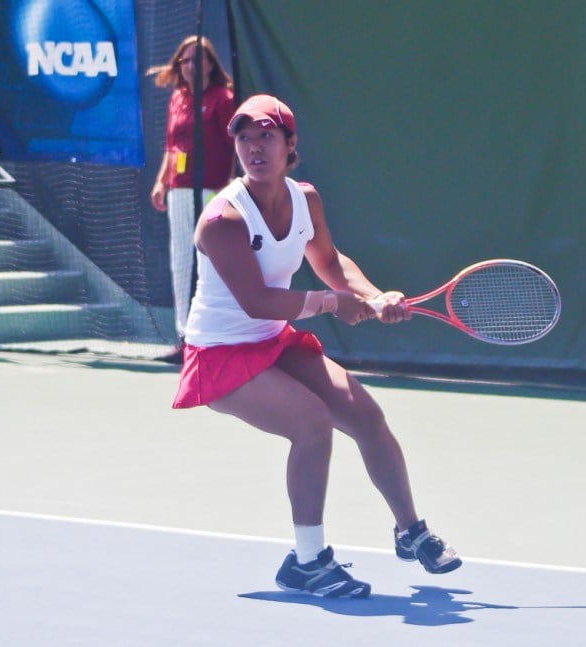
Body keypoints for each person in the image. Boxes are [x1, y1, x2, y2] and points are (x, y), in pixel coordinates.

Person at [172, 94, 462, 598]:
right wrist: (332, 304)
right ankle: (307, 561)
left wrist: (372, 294)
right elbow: (258, 301)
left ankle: (409, 531)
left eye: (266, 136)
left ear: (290, 145)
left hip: (271, 341)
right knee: (311, 424)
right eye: (244, 137)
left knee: (365, 415)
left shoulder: (305, 199)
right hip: (219, 353)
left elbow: (329, 260)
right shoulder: (223, 221)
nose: (254, 147)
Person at [147, 36, 236, 346]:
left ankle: (212, 333)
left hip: (213, 191)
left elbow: (235, 145)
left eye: (195, 60)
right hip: (180, 190)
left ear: (210, 64)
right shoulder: (178, 98)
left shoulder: (223, 98)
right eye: (183, 61)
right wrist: (161, 180)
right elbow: (172, 147)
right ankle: (183, 337)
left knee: (209, 260)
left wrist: (229, 187)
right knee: (181, 260)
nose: (188, 67)